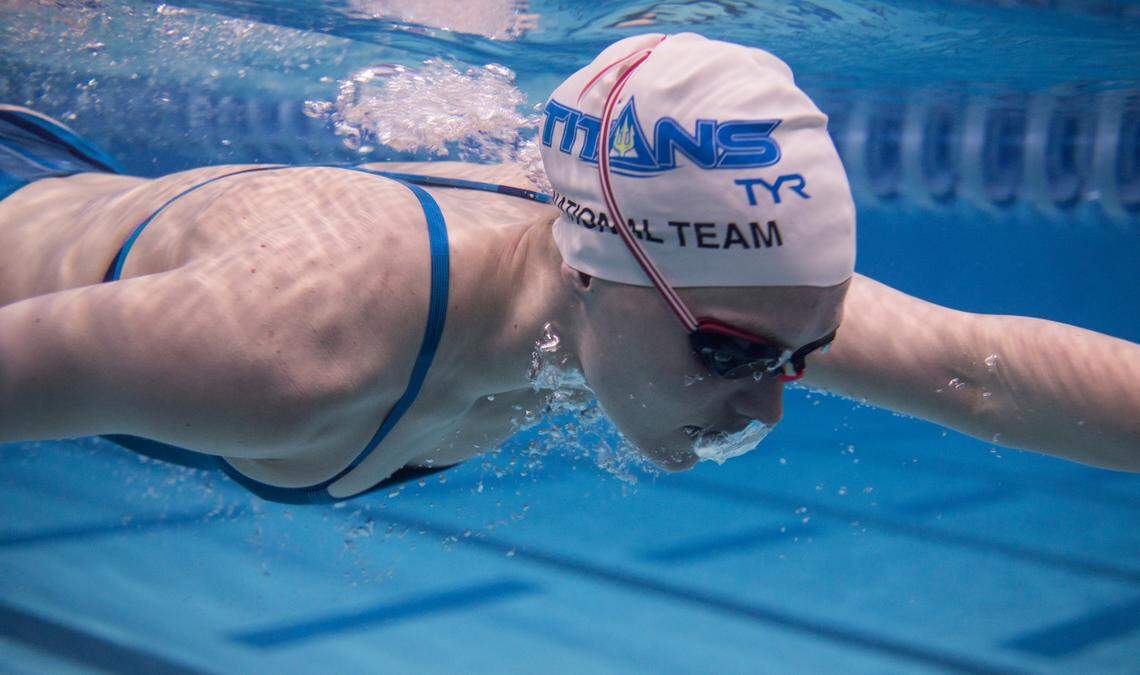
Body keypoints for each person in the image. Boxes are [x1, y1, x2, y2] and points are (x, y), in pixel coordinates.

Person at [0, 34, 1136, 504]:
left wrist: (760, 341)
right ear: (594, 270)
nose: (769, 409)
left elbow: (982, 375)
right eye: (733, 355)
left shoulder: (688, 290)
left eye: (803, 356)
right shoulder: (290, 345)